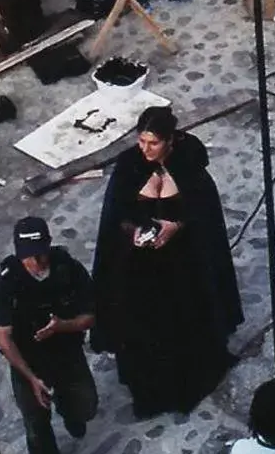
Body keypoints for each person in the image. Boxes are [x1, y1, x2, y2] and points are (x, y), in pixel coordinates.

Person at [91, 106, 242, 419]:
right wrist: (134, 232)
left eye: (153, 143)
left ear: (170, 141)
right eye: (141, 141)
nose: (145, 149)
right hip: (140, 268)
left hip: (183, 265)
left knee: (185, 322)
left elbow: (202, 211)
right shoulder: (129, 166)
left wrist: (177, 226)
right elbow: (117, 214)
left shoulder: (188, 165)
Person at [0, 214, 97, 454]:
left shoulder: (67, 269)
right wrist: (31, 378)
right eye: (29, 257)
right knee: (36, 423)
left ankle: (70, 411)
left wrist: (63, 326)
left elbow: (89, 316)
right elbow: (4, 338)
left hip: (66, 352)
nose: (37, 262)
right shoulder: (6, 285)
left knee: (85, 406)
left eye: (40, 253)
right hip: (29, 360)